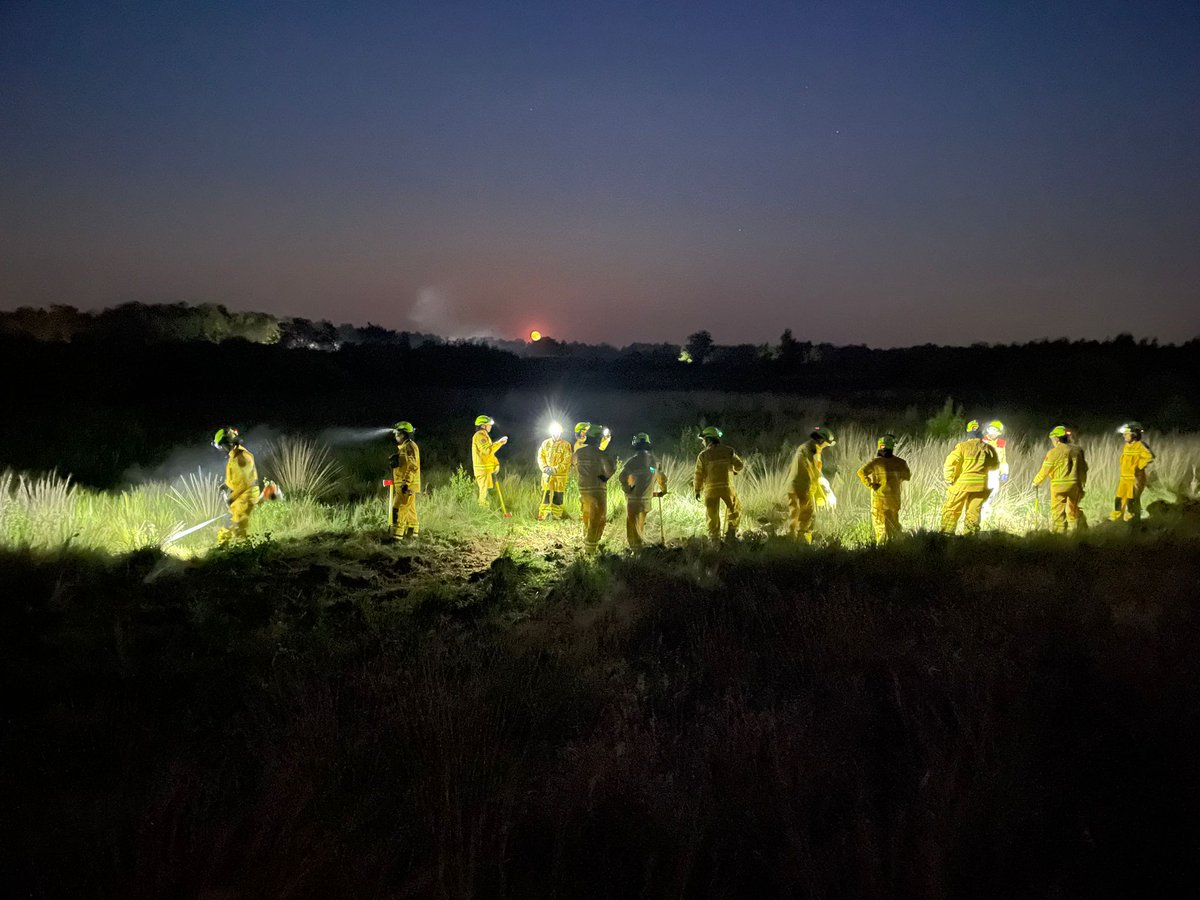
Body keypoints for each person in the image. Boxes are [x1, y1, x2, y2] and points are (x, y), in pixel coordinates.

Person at [940, 419, 1000, 535]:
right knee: (974, 512)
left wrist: (949, 478)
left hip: (961, 485)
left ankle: (947, 535)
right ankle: (970, 538)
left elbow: (949, 462)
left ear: (968, 433)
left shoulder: (962, 447)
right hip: (980, 487)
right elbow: (994, 465)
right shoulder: (988, 448)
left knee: (952, 509)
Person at [787, 425, 837, 544]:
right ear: (821, 440)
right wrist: (826, 487)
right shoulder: (812, 449)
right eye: (826, 444)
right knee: (808, 515)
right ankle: (803, 544)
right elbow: (813, 472)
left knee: (794, 516)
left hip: (793, 486)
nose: (826, 447)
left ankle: (790, 545)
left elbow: (815, 472)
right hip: (803, 487)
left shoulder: (806, 447)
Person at [1032, 425, 1087, 533]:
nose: (1052, 441)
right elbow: (1083, 468)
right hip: (1074, 485)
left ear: (1057, 438)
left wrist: (1036, 482)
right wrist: (1082, 482)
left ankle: (1060, 536)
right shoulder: (1077, 450)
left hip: (1058, 487)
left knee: (1058, 513)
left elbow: (1045, 470)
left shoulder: (1053, 453)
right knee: (1074, 510)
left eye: (1052, 439)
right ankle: (1082, 533)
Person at [856, 433, 911, 542]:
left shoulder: (876, 462)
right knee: (894, 527)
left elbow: (861, 472)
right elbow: (907, 476)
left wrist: (870, 484)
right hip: (894, 500)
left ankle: (881, 552)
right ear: (892, 446)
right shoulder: (900, 462)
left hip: (878, 500)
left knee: (880, 527)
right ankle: (894, 549)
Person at [694, 426, 744, 541]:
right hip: (727, 489)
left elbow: (698, 475)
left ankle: (714, 539)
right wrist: (734, 471)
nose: (703, 443)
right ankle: (731, 535)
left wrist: (697, 490)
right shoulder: (728, 451)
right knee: (734, 510)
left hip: (710, 491)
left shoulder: (703, 455)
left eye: (703, 440)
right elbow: (740, 465)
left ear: (708, 439)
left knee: (712, 516)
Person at [212, 427, 260, 545]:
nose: (221, 450)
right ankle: (225, 550)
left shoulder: (241, 457)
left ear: (225, 444)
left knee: (238, 529)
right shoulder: (235, 454)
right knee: (230, 527)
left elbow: (245, 482)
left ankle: (244, 554)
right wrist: (226, 484)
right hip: (241, 496)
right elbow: (237, 477)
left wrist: (231, 498)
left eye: (220, 446)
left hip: (246, 496)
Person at [619, 432, 667, 549]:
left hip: (633, 501)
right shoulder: (654, 462)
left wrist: (627, 489)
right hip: (646, 502)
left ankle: (635, 551)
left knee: (632, 527)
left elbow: (621, 477)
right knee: (640, 525)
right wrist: (663, 490)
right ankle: (639, 549)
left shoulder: (632, 461)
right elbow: (661, 477)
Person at [574, 423, 615, 553]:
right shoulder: (600, 454)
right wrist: (605, 477)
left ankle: (586, 538)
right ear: (598, 439)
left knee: (586, 514)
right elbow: (611, 468)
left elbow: (573, 464)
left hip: (583, 490)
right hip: (598, 490)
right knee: (598, 517)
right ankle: (591, 549)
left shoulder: (578, 453)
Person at [1111, 421, 1154, 522]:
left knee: (1132, 501)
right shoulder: (1127, 446)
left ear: (1134, 435)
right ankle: (1117, 521)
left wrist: (1138, 467)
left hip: (1135, 479)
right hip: (1124, 478)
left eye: (1126, 434)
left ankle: (1133, 524)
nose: (1124, 436)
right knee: (1119, 499)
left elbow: (1149, 457)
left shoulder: (1140, 446)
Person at [388, 421, 421, 539]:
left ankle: (397, 537)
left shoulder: (409, 446)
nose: (396, 436)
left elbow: (413, 466)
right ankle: (412, 534)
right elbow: (406, 465)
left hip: (406, 486)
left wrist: (405, 483)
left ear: (405, 434)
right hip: (407, 485)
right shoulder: (405, 447)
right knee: (410, 510)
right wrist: (397, 462)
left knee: (398, 508)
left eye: (398, 434)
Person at [537, 422, 573, 520]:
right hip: (547, 475)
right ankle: (544, 514)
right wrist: (544, 468)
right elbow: (541, 457)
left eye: (558, 432)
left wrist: (555, 469)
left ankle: (556, 515)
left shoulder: (566, 445)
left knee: (558, 496)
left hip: (560, 476)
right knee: (546, 494)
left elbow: (567, 461)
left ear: (561, 432)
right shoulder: (545, 443)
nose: (556, 434)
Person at [471, 415, 508, 507]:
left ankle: (488, 512)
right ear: (483, 425)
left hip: (487, 470)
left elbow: (490, 454)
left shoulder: (484, 435)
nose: (490, 427)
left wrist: (496, 464)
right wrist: (499, 443)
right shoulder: (479, 436)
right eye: (489, 425)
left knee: (488, 492)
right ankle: (482, 514)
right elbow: (487, 451)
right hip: (482, 470)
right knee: (484, 493)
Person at [980, 419, 1009, 521]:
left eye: (995, 430)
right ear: (988, 430)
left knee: (994, 491)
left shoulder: (1001, 444)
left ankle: (986, 510)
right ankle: (982, 513)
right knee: (985, 491)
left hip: (995, 472)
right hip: (985, 472)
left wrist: (1004, 472)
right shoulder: (983, 441)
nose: (992, 432)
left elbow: (1003, 459)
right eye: (991, 429)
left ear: (998, 432)